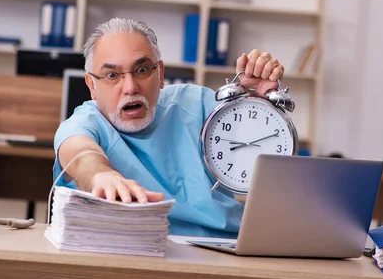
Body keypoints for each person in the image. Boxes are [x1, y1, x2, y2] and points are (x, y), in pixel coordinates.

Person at [53, 17, 285, 238]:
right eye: (112, 75)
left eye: (142, 70)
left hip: (225, 249)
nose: (130, 87)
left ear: (160, 74)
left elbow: (263, 158)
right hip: (136, 257)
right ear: (92, 85)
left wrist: (260, 103)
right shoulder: (86, 122)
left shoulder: (198, 105)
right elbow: (82, 155)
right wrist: (100, 176)